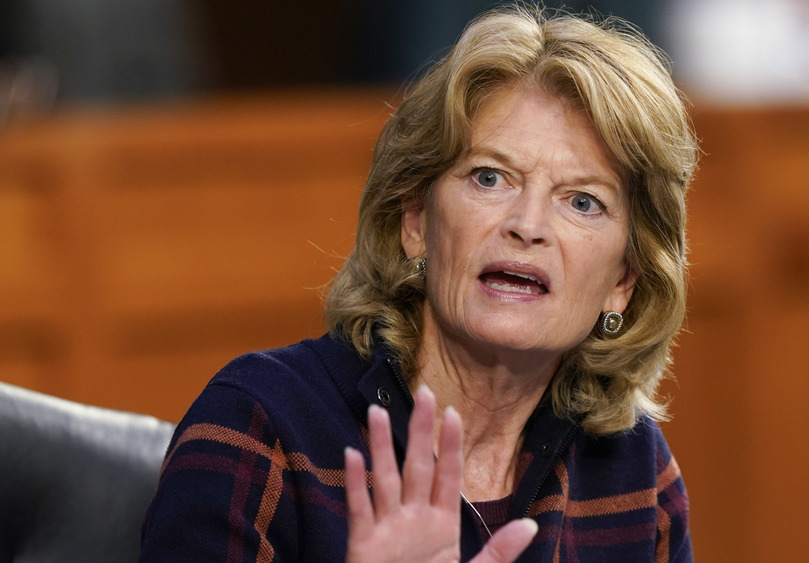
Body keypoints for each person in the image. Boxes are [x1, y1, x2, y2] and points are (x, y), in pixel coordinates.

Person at [139, 5, 698, 562]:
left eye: (582, 201)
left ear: (623, 281)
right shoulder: (264, 425)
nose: (527, 226)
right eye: (490, 177)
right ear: (416, 222)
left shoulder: (633, 473)